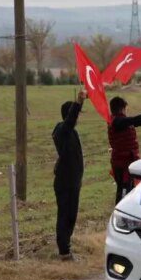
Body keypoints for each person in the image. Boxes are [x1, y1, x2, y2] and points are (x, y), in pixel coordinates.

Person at [52, 89, 87, 260]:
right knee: (65, 215)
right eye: (77, 114)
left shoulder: (71, 132)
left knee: (71, 215)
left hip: (73, 182)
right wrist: (79, 101)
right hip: (65, 182)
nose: (78, 117)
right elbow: (70, 120)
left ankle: (66, 247)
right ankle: (64, 251)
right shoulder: (62, 130)